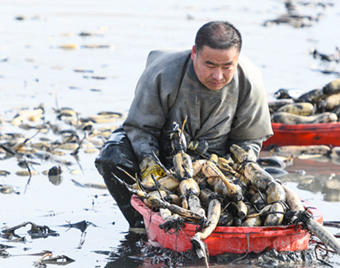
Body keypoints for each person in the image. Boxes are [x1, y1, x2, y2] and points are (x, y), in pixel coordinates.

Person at [95, 21, 273, 227]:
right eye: (210, 65)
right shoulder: (162, 73)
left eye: (227, 67)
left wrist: (234, 171)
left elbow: (249, 139)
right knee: (112, 157)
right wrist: (150, 164)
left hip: (215, 163)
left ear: (237, 59)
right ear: (194, 53)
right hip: (161, 153)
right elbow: (141, 128)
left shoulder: (250, 81)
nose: (218, 76)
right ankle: (141, 225)